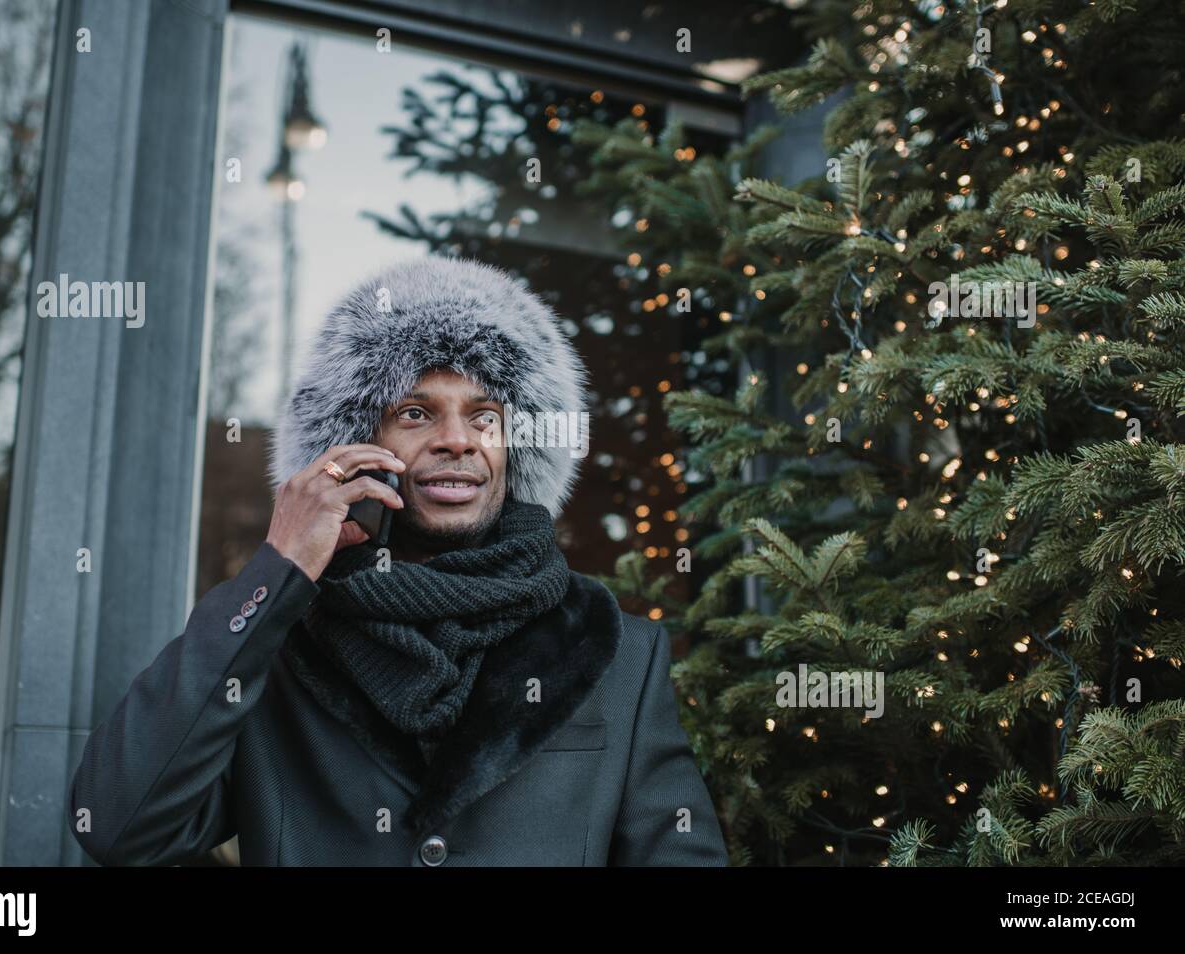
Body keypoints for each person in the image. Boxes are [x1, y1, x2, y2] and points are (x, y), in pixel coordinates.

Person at [69, 255, 728, 867]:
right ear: (357, 445)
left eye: (484, 417)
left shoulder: (618, 653)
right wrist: (277, 571)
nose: (455, 441)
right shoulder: (274, 648)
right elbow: (120, 825)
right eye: (416, 413)